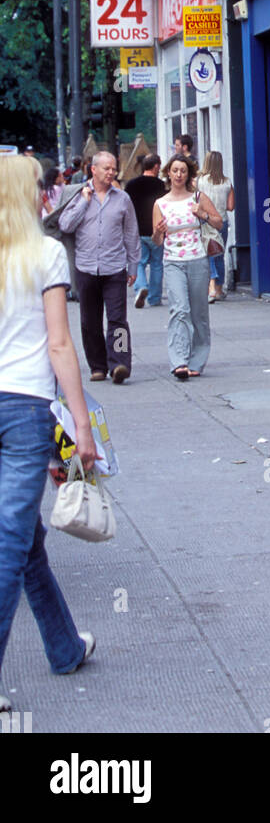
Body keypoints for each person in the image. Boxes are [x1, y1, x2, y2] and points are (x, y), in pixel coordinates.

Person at [0, 155, 97, 713]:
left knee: (22, 537)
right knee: (10, 543)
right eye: (42, 187)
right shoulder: (46, 253)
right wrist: (82, 426)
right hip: (26, 408)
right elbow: (61, 345)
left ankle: (64, 646)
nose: (48, 194)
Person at [57, 153, 140, 385]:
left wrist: (133, 265)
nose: (111, 172)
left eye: (114, 168)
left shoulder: (122, 199)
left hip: (114, 267)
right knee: (89, 321)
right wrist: (84, 202)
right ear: (93, 169)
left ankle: (119, 362)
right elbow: (65, 225)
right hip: (86, 267)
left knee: (117, 320)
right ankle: (97, 365)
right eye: (106, 168)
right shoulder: (77, 195)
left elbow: (131, 234)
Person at [152, 155, 223, 381]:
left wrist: (201, 213)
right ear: (168, 174)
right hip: (172, 261)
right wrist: (158, 231)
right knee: (179, 309)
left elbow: (218, 221)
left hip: (198, 260)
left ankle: (197, 360)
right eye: (175, 170)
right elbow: (156, 240)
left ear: (188, 174)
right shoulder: (160, 204)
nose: (179, 175)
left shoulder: (198, 197)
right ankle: (179, 361)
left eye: (183, 170)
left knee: (199, 313)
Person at [125, 154, 167, 309]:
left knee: (139, 262)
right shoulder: (160, 185)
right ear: (155, 166)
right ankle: (155, 298)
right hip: (156, 229)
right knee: (157, 264)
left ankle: (141, 286)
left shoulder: (131, 185)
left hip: (136, 230)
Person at [196, 151, 234, 303]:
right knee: (219, 254)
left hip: (205, 220)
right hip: (222, 223)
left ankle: (211, 286)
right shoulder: (227, 182)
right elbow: (231, 206)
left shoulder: (199, 181)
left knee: (207, 253)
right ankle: (218, 289)